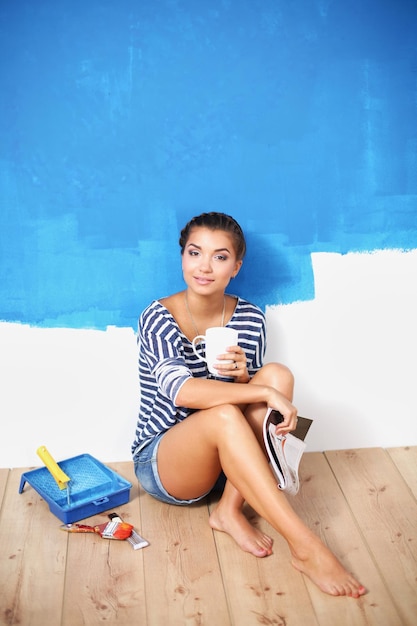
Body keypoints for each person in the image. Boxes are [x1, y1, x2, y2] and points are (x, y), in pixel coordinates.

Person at [132, 211, 366, 598]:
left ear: (236, 266)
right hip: (165, 461)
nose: (204, 266)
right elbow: (182, 392)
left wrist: (247, 378)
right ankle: (307, 546)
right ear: (182, 257)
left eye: (220, 257)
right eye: (195, 253)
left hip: (228, 458)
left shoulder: (251, 317)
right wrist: (257, 393)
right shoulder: (158, 317)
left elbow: (256, 397)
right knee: (230, 411)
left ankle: (228, 510)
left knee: (276, 374)